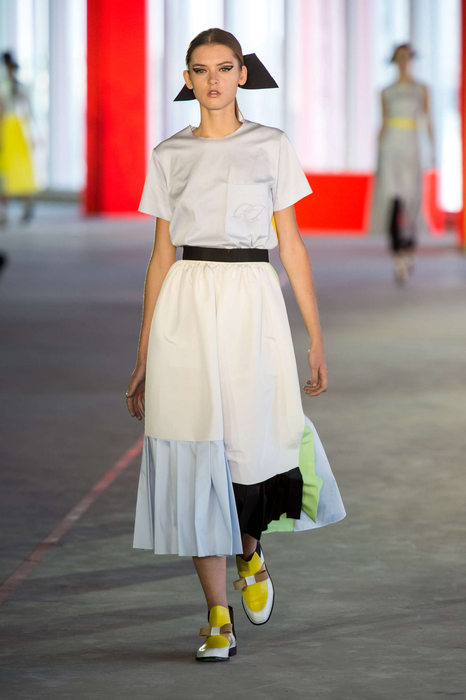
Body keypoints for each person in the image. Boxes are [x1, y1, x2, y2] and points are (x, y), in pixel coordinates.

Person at [126, 28, 345, 662]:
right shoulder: (170, 154)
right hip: (186, 308)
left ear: (243, 73)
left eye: (224, 68)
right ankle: (216, 615)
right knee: (194, 448)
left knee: (250, 446)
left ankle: (250, 551)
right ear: (187, 80)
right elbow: (161, 256)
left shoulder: (271, 145)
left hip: (253, 301)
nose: (213, 80)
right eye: (201, 70)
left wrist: (315, 338)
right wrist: (142, 354)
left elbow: (292, 245)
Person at [371, 43, 434, 283]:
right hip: (391, 146)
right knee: (393, 198)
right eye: (400, 57)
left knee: (413, 199)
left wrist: (432, 149)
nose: (404, 61)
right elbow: (384, 121)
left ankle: (409, 247)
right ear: (395, 60)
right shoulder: (386, 91)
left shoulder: (421, 89)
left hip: (411, 144)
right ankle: (398, 253)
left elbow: (428, 119)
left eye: (407, 57)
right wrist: (378, 150)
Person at [0, 51, 37, 225]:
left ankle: (6, 212)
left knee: (6, 172)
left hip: (9, 129)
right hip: (18, 129)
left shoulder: (6, 87)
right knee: (18, 171)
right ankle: (24, 204)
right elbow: (29, 113)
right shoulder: (19, 86)